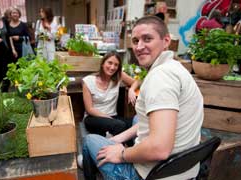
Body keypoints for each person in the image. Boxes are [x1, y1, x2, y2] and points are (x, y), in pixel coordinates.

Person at [82, 16, 204, 180]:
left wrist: (123, 153)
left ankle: (90, 166)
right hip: (185, 170)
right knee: (133, 121)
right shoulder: (175, 68)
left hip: (151, 174)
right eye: (135, 40)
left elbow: (159, 148)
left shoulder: (160, 77)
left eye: (147, 39)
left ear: (166, 40)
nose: (139, 47)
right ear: (102, 63)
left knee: (89, 140)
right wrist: (118, 140)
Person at [82, 51, 135, 137]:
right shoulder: (88, 81)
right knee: (120, 125)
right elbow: (90, 109)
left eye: (116, 65)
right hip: (93, 118)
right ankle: (124, 149)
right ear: (103, 63)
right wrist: (109, 118)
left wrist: (131, 89)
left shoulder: (118, 76)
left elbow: (136, 82)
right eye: (109, 63)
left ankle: (130, 147)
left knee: (135, 122)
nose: (112, 67)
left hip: (113, 117)